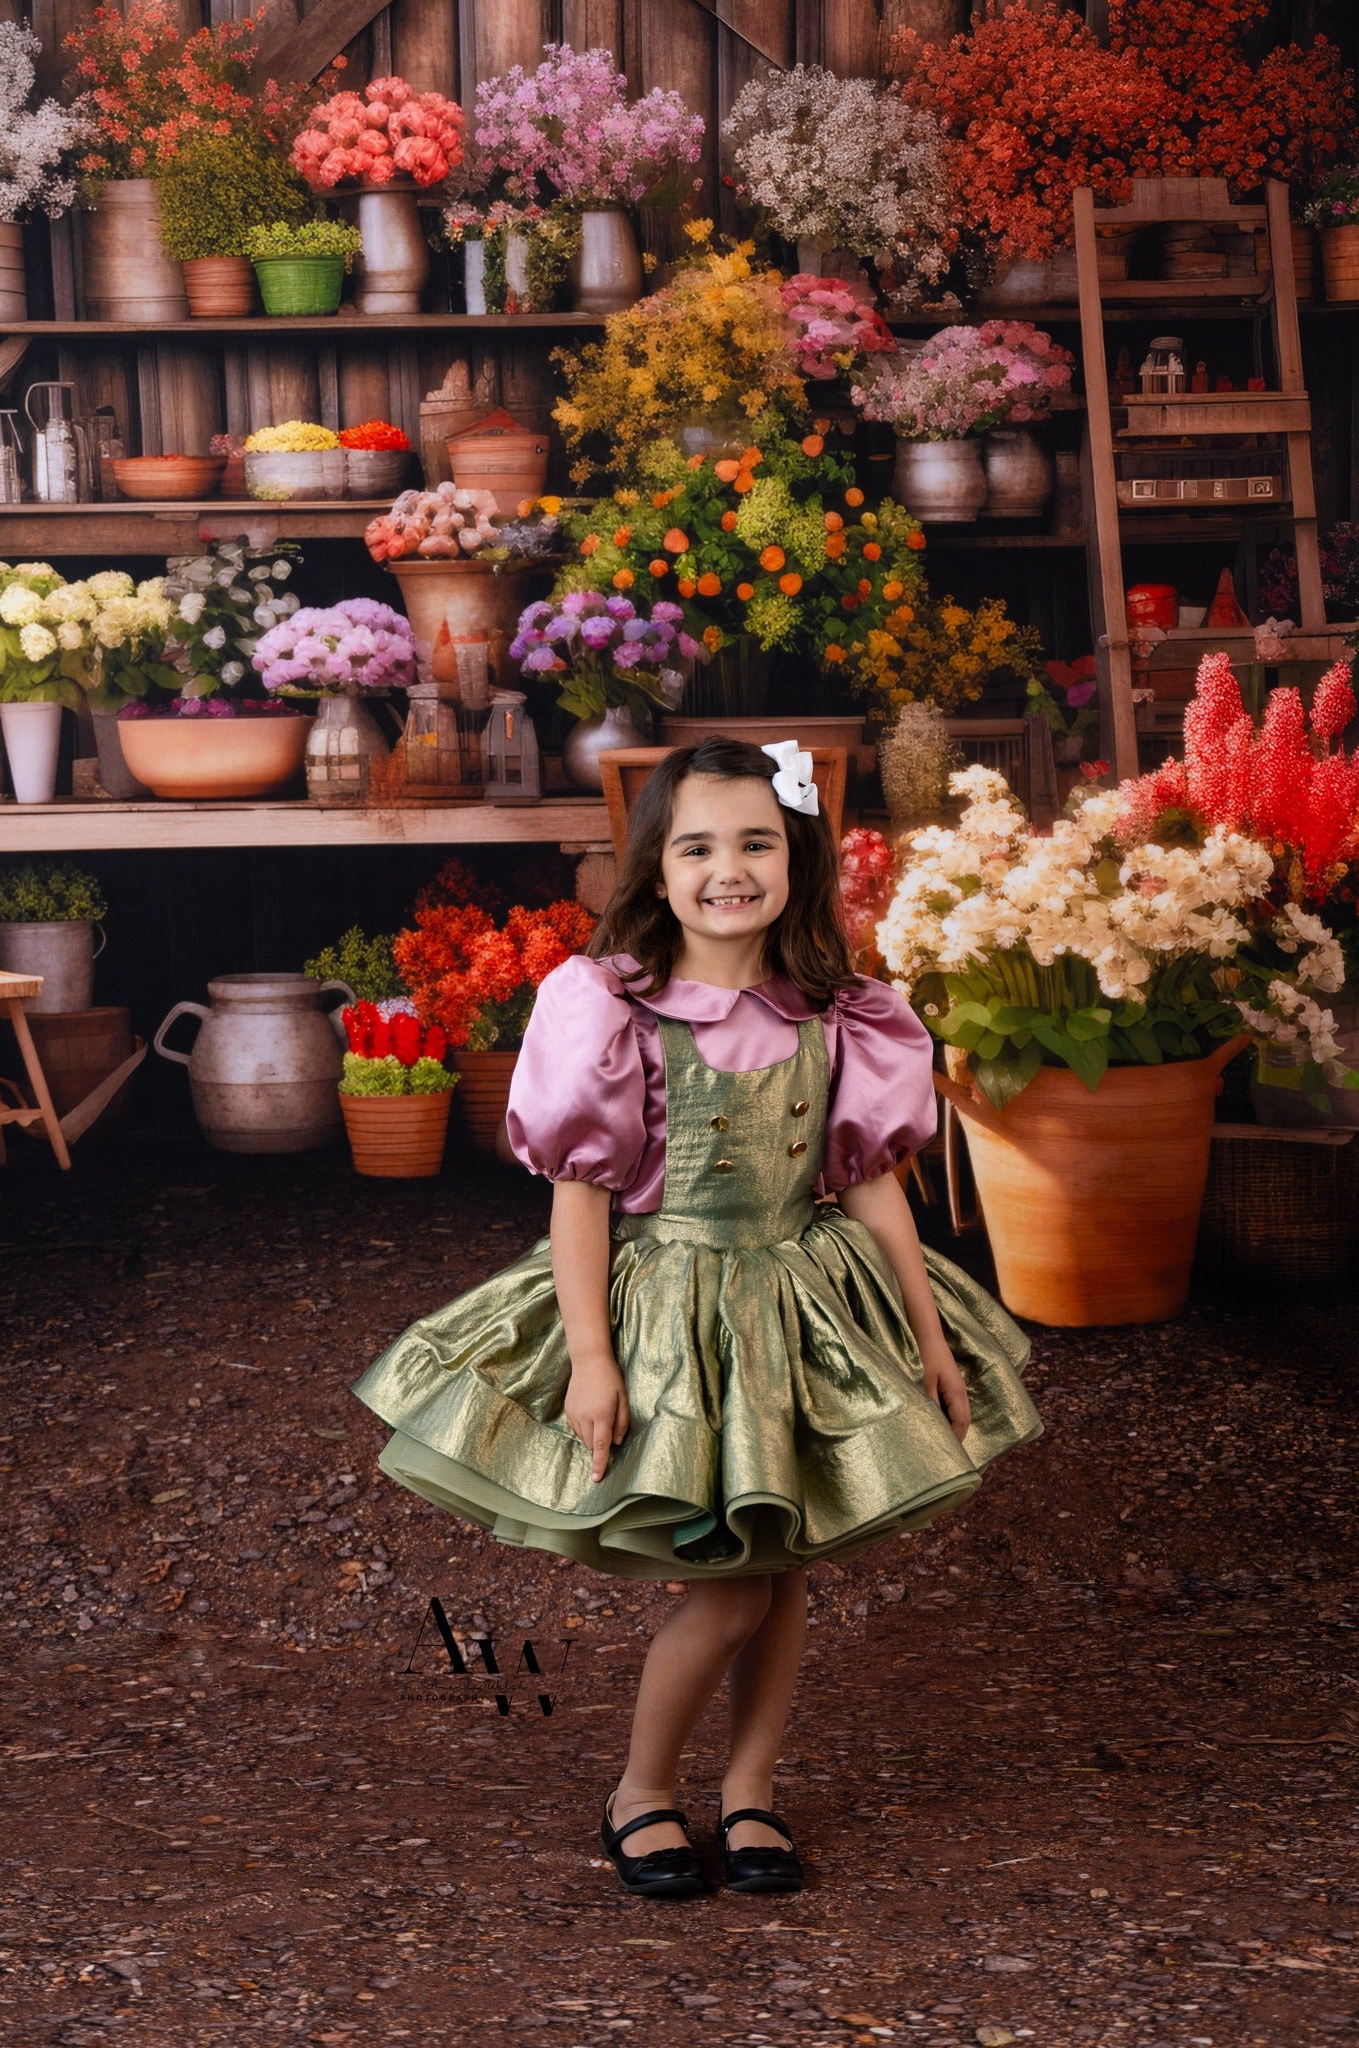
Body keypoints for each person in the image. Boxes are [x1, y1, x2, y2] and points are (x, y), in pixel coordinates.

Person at [352, 737, 1041, 1899]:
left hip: (799, 1304)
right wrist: (589, 1355)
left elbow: (870, 1179)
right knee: (727, 1581)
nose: (731, 868)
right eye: (699, 846)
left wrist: (925, 1335)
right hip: (669, 1307)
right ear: (658, 871)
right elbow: (579, 1193)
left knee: (787, 1564)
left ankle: (753, 1786)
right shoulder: (610, 1004)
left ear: (797, 856)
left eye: (757, 842)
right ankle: (642, 1788)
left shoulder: (841, 1012)